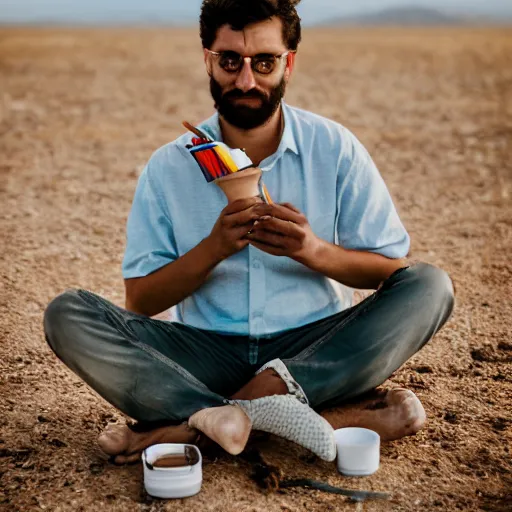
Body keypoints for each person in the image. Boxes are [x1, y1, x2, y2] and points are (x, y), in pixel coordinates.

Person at [43, 0, 454, 465]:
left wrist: (314, 251)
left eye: (264, 62)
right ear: (208, 60)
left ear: (288, 63)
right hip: (203, 353)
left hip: (313, 352)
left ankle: (204, 421)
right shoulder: (170, 165)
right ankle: (283, 417)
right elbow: (141, 300)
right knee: (67, 314)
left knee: (431, 285)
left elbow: (393, 271)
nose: (245, 80)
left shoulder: (334, 148)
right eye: (230, 61)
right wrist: (213, 249)